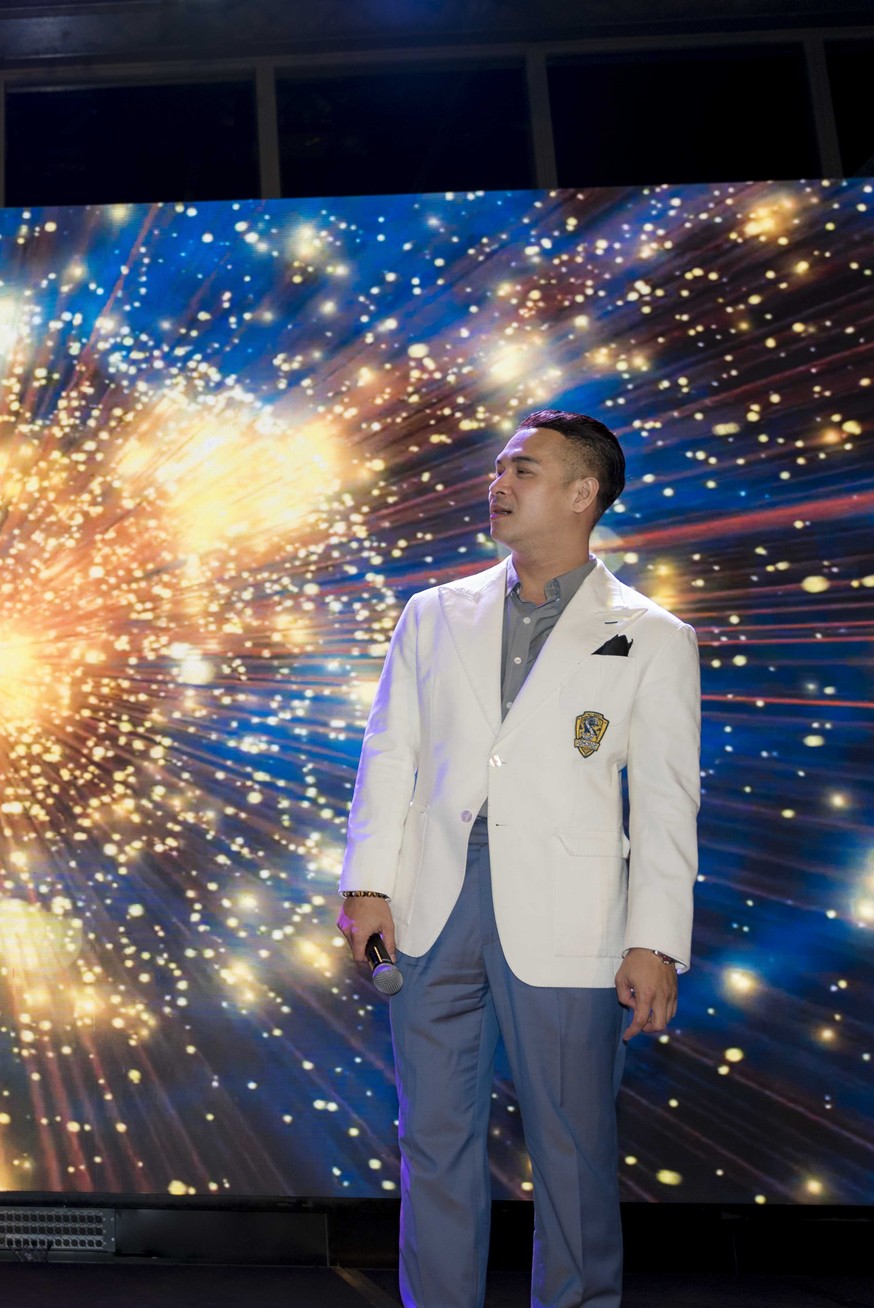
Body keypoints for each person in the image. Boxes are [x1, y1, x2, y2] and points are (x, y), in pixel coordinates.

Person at [337, 409, 700, 1308]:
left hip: (572, 910)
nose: (497, 485)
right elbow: (390, 752)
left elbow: (666, 801)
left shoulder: (652, 633)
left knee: (573, 1147)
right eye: (499, 469)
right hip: (433, 901)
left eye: (523, 470)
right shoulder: (434, 613)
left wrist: (655, 941)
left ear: (583, 494)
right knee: (432, 1137)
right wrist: (368, 885)